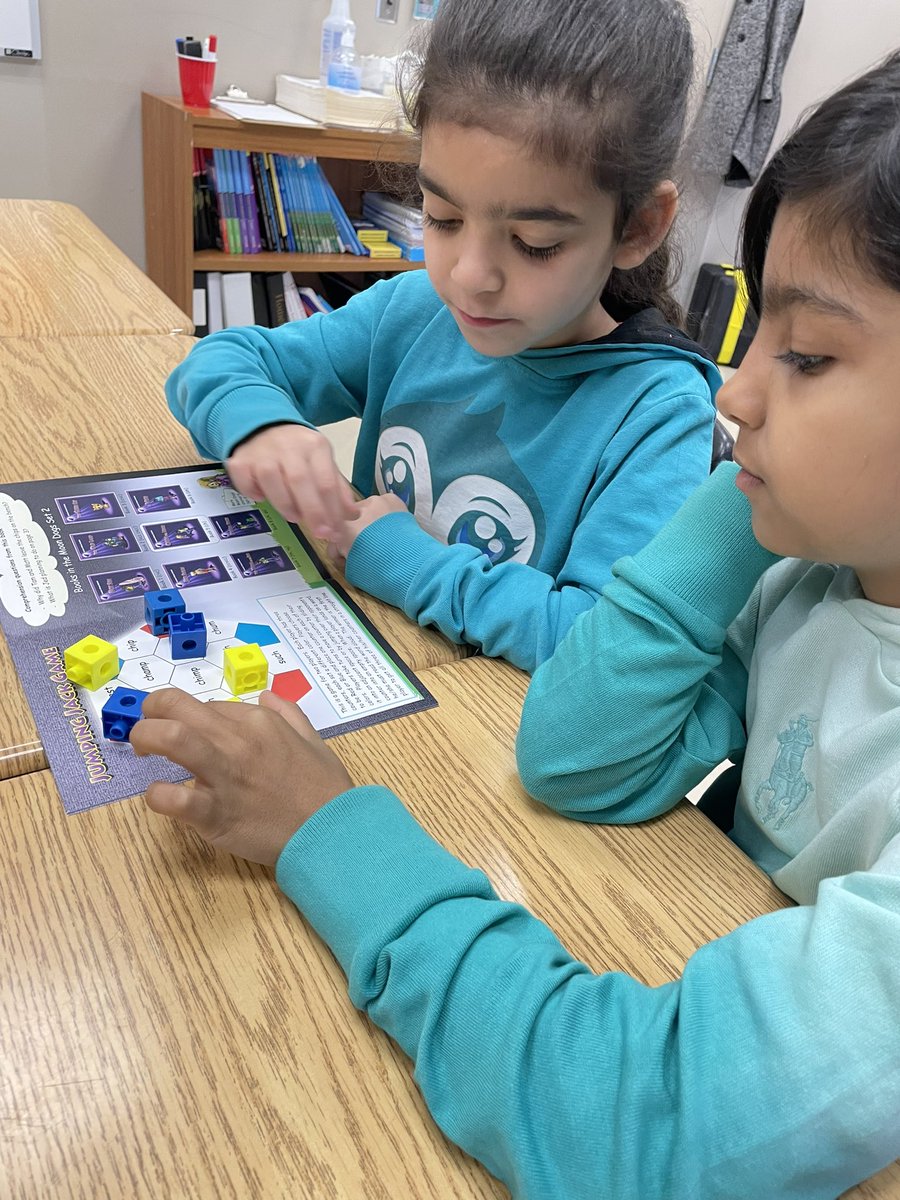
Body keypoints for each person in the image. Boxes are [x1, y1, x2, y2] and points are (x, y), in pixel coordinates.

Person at [133, 51, 900, 1197]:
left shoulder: (697, 440)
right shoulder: (810, 577)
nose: (732, 393)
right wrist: (745, 502)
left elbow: (626, 1126)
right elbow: (575, 758)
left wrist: (321, 830)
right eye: (441, 218)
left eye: (806, 355)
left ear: (634, 229)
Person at [165, 0, 720, 673]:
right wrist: (260, 426)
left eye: (533, 242)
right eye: (442, 217)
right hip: (363, 655)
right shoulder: (413, 310)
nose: (469, 276)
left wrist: (404, 560)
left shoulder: (658, 412)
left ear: (638, 226)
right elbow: (220, 362)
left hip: (484, 718)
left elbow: (603, 650)